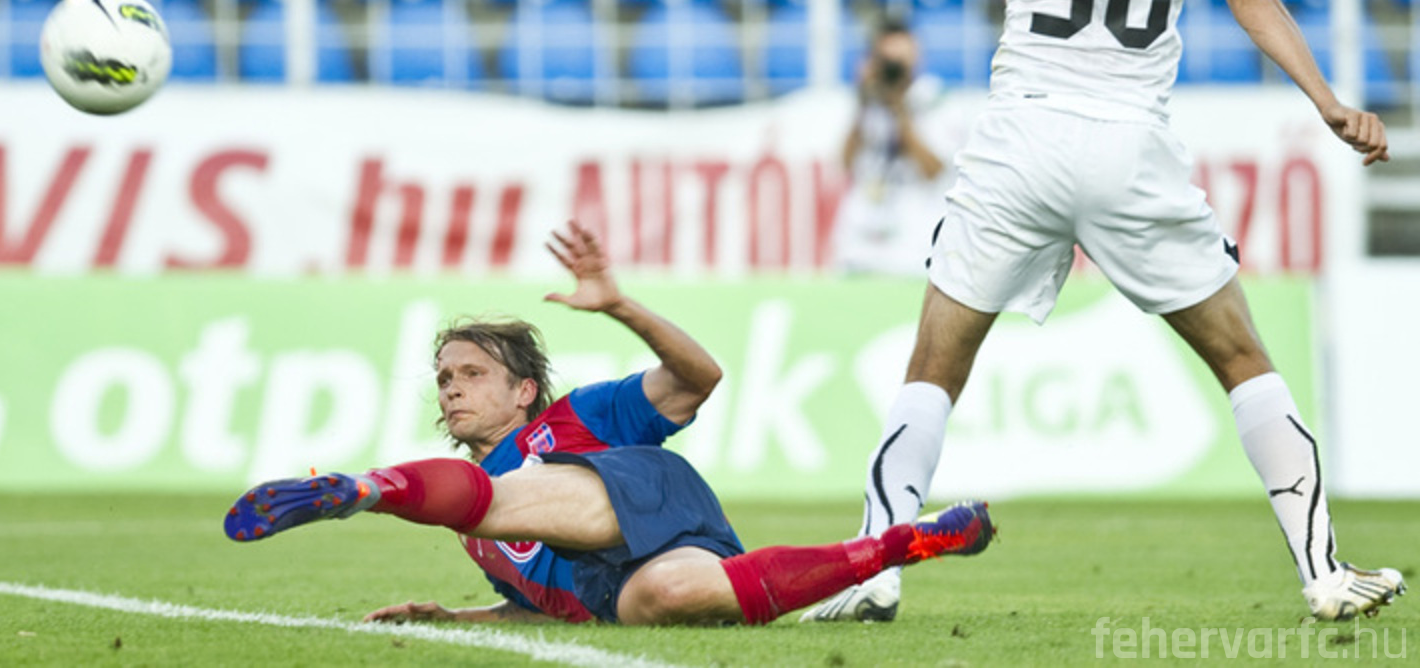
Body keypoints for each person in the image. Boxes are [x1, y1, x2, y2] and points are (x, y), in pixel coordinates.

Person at [806, 0, 1403, 625]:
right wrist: (1328, 101)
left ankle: (873, 572)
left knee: (932, 371)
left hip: (1021, 142)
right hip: (1129, 146)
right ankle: (1325, 574)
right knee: (1242, 359)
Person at [225, 221, 995, 626]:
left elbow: (699, 379)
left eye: (472, 374)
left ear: (525, 391)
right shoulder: (473, 532)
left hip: (646, 503)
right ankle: (907, 543)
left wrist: (621, 306)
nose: (452, 390)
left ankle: (360, 489)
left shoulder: (578, 416)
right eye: (444, 380)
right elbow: (541, 601)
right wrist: (456, 615)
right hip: (615, 582)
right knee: (667, 601)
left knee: (504, 496)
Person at [834, 12, 960, 275]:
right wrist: (863, 100)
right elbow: (844, 163)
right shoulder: (866, 100)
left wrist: (900, 110)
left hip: (914, 229)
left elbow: (933, 170)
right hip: (864, 226)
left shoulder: (933, 99)